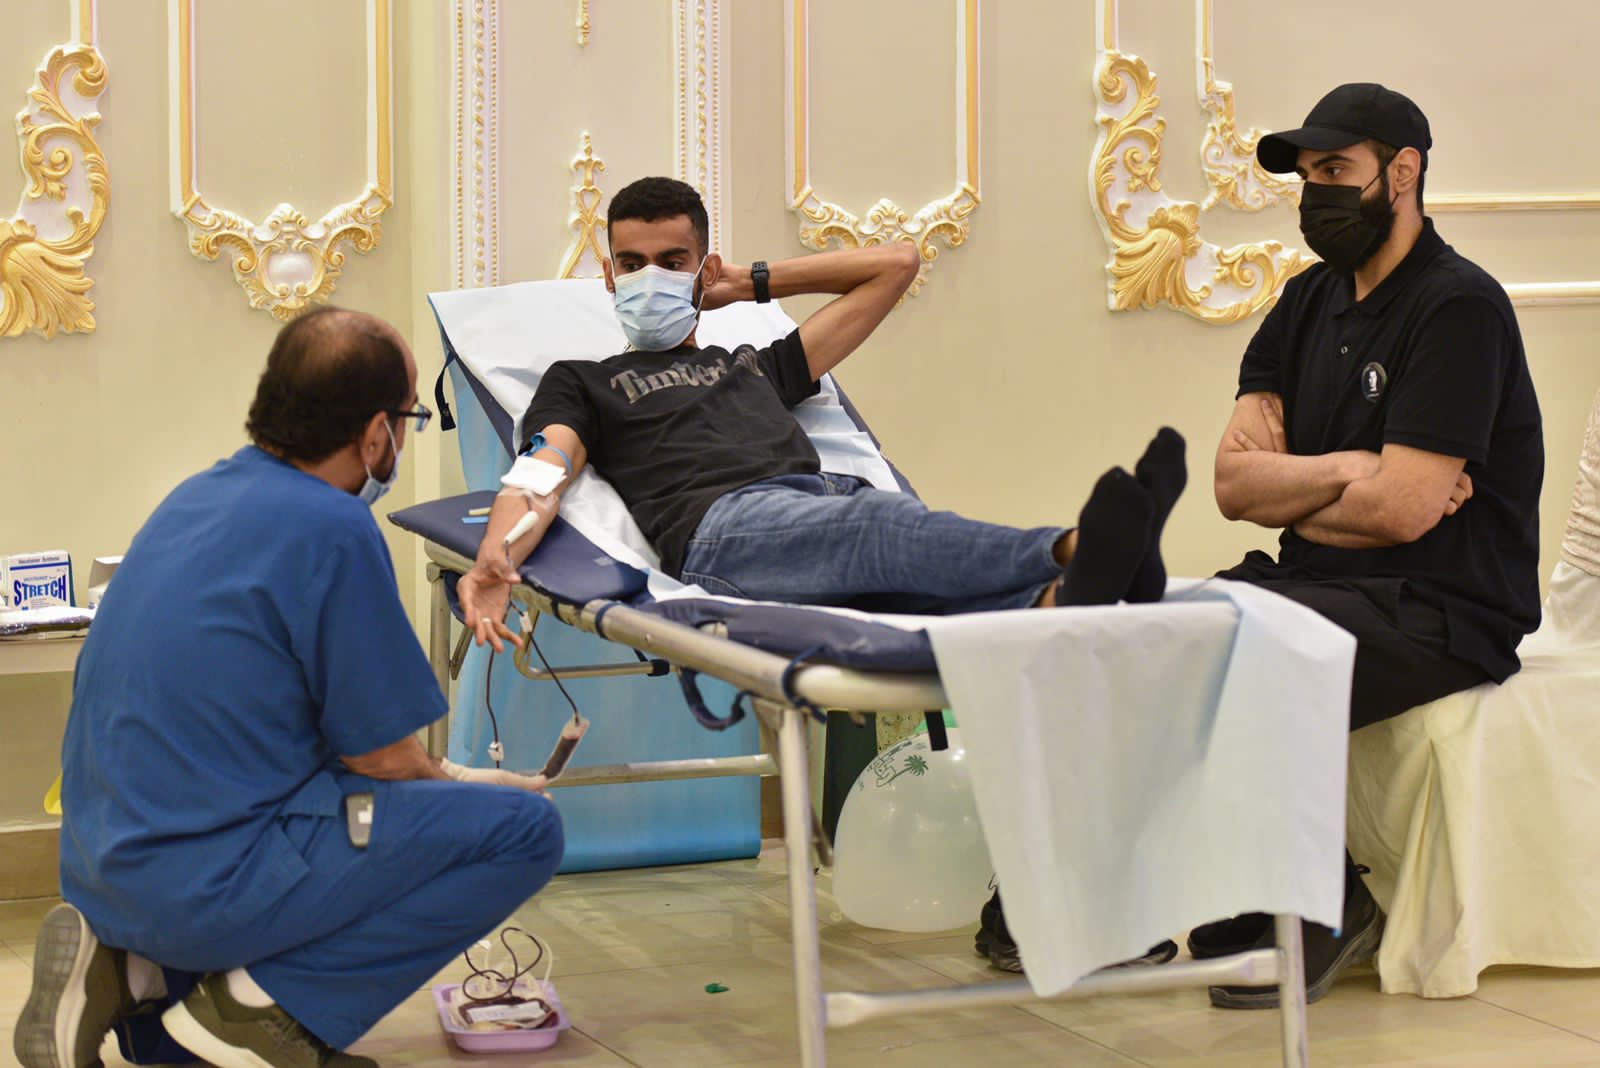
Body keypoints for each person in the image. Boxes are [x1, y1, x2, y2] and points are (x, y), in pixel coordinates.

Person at [455, 176, 1189, 973]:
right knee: (881, 523)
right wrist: (498, 558)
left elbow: (896, 265)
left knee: (1033, 628)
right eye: (630, 263)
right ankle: (1079, 547)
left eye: (672, 261)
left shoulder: (755, 367)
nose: (647, 279)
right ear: (607, 273)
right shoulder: (584, 380)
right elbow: (542, 471)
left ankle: (1038, 901)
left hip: (825, 516)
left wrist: (748, 285)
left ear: (705, 268)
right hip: (728, 532)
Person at [14, 309, 563, 1068]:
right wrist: (461, 788)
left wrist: (438, 779)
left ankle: (135, 976)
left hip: (104, 869)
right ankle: (252, 1019)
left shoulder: (193, 498)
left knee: (326, 804)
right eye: (410, 420)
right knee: (522, 831)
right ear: (375, 435)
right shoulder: (332, 527)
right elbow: (383, 760)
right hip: (207, 885)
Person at [1195, 83, 1543, 1008]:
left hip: (1445, 607)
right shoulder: (1305, 301)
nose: (1316, 194)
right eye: (1307, 176)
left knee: (1261, 644)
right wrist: (1353, 469)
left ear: (1402, 172)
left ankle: (1325, 901)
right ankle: (1215, 883)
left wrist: (1305, 491)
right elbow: (1232, 485)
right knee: (1173, 621)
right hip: (1325, 580)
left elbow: (1404, 516)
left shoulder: (1458, 307)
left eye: (1335, 170)